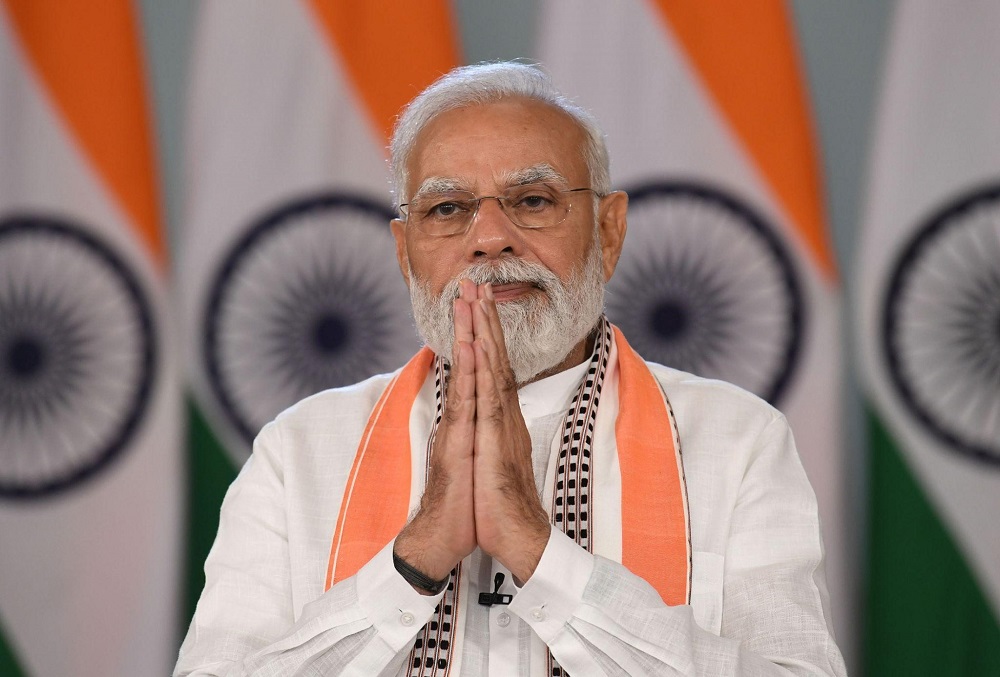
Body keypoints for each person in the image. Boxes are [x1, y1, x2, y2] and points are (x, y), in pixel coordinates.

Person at [175, 62, 847, 676]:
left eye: (532, 201)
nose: (490, 237)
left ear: (608, 232)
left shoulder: (736, 440)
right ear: (406, 252)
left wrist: (538, 551)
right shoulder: (299, 450)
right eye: (447, 209)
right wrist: (414, 560)